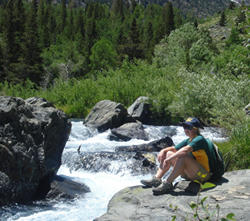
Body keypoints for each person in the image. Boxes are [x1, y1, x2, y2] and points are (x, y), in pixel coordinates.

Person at [141, 117, 212, 195]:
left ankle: (167, 183)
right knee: (168, 153)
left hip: (203, 175)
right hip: (192, 173)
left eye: (189, 127)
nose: (186, 129)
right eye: (185, 127)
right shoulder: (188, 140)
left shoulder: (199, 139)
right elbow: (174, 148)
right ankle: (157, 179)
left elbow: (186, 150)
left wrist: (170, 159)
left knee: (183, 157)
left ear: (196, 129)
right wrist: (163, 151)